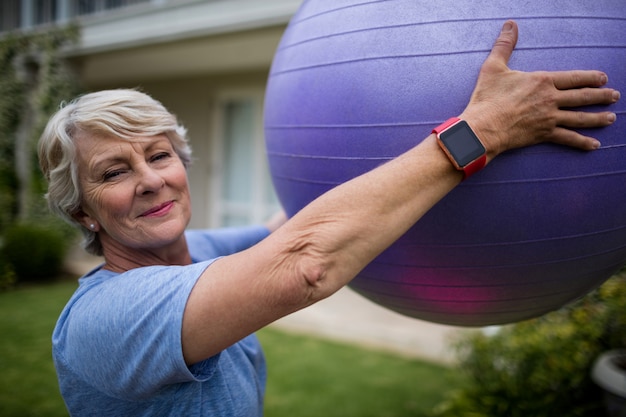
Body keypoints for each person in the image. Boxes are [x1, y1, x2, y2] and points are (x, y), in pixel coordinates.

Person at [38, 21, 619, 416]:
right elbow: (305, 261)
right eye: (114, 172)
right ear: (81, 211)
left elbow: (285, 227)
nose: (150, 179)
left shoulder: (201, 254)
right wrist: (483, 133)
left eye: (159, 155)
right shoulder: (106, 319)